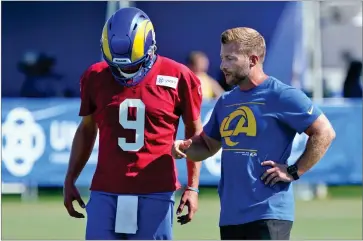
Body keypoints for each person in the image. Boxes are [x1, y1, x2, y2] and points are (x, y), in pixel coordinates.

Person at [172, 27, 336, 240]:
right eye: (222, 58)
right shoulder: (225, 101)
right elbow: (207, 146)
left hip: (268, 214)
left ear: (253, 59)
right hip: (230, 216)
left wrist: (295, 171)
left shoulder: (282, 95)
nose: (222, 65)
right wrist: (184, 147)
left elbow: (325, 132)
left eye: (230, 58)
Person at [63, 7, 203, 240]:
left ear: (150, 48)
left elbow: (194, 132)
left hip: (156, 189)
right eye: (117, 65)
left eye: (131, 65)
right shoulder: (96, 76)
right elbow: (87, 129)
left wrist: (193, 187)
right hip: (105, 189)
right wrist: (70, 178)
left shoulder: (178, 75)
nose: (124, 71)